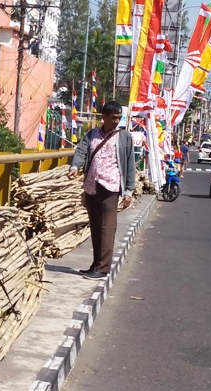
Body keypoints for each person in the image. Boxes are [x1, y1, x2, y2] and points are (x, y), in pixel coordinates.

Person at [68, 100, 137, 280]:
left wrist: (129, 190)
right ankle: (95, 264)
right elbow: (81, 151)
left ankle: (103, 267)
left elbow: (130, 163)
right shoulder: (92, 135)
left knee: (108, 227)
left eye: (118, 118)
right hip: (92, 186)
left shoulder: (124, 137)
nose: (116, 121)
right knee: (96, 227)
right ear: (104, 117)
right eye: (113, 118)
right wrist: (75, 167)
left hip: (111, 187)